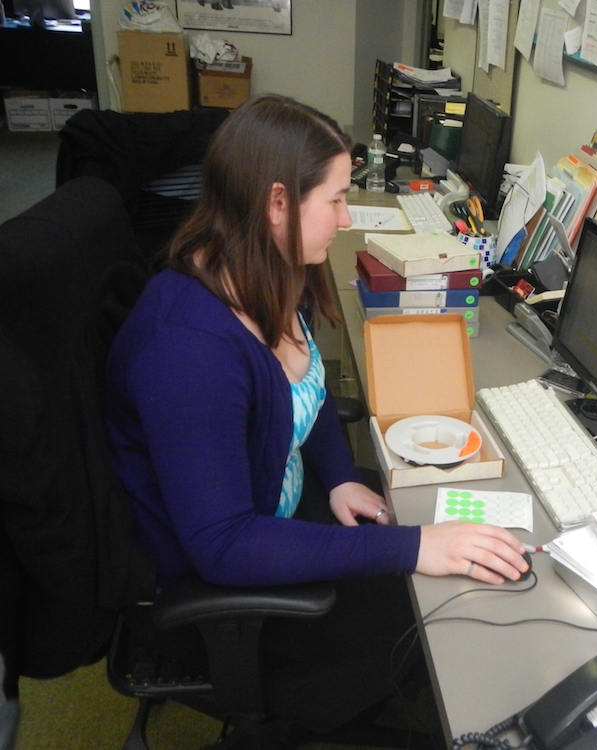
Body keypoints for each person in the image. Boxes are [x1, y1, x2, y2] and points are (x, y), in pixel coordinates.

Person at [103, 94, 528, 736]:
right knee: (444, 616)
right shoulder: (189, 350)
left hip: (284, 510)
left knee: (443, 561)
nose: (346, 214)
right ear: (277, 203)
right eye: (333, 198)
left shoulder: (263, 272)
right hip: (230, 594)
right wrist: (411, 548)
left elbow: (313, 388)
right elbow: (223, 544)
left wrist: (339, 474)